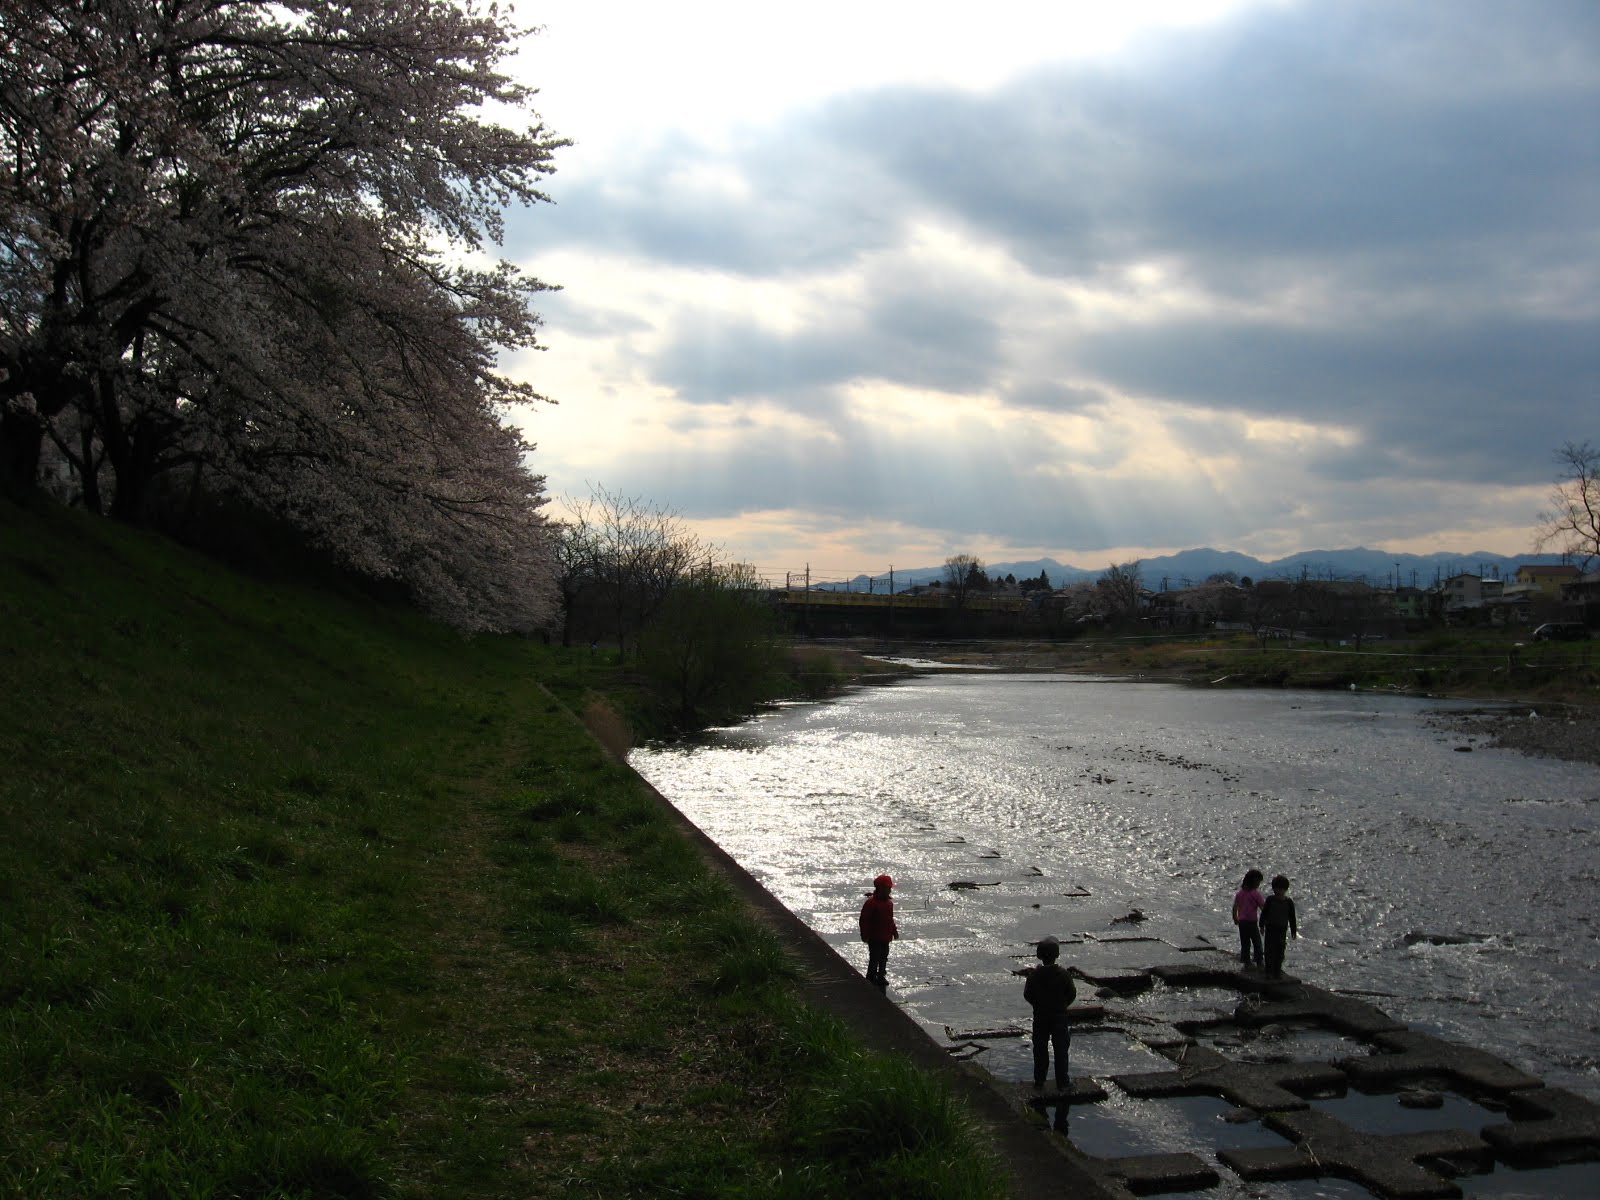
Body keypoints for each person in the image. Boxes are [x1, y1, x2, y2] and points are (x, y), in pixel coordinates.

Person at [1023, 935, 1076, 1091]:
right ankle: (1063, 1082)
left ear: (1039, 956)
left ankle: (1039, 1082)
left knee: (1040, 1049)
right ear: (1057, 955)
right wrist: (1062, 1006)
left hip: (1040, 1016)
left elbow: (1028, 994)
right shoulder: (1064, 974)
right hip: (1059, 1017)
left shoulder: (1034, 976)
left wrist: (1038, 1005)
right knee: (1061, 1050)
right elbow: (1071, 993)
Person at [858, 873, 898, 989]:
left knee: (884, 956)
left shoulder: (889, 904)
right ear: (880, 889)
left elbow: (890, 920)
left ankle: (881, 975)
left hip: (885, 936)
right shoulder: (871, 903)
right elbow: (864, 920)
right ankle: (871, 975)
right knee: (874, 957)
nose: (889, 891)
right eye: (887, 888)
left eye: (889, 888)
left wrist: (894, 931)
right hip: (874, 936)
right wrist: (864, 934)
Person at [1261, 874, 1299, 978]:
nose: (1279, 891)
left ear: (1285, 889)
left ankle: (1277, 971)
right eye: (1277, 889)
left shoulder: (1288, 902)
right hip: (1270, 928)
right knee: (1269, 950)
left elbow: (1292, 917)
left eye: (1281, 889)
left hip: (1282, 929)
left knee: (1280, 950)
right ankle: (1268, 971)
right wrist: (1261, 925)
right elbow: (1264, 913)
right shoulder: (1270, 900)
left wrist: (1293, 931)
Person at [1233, 869, 1266, 968]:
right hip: (1251, 922)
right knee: (1257, 942)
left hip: (1242, 922)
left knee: (1245, 942)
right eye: (1258, 882)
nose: (1259, 885)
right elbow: (1263, 907)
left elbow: (1235, 906)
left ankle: (1246, 960)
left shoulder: (1240, 893)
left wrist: (1235, 917)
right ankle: (1259, 960)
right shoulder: (1255, 894)